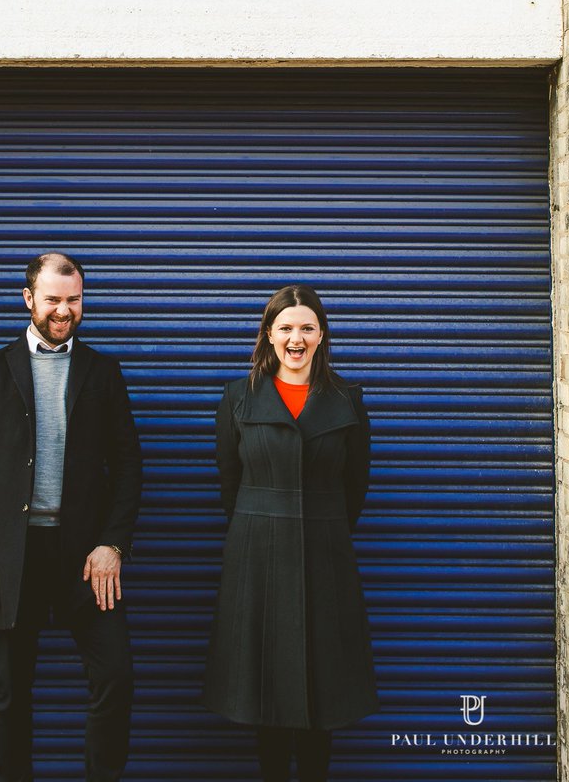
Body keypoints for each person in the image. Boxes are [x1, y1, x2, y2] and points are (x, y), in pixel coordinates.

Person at [0, 252, 142, 782]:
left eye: (73, 299)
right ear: (28, 299)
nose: (64, 310)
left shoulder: (103, 372)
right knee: (9, 693)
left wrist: (113, 545)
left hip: (85, 558)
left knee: (116, 676)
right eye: (53, 299)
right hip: (13, 555)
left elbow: (128, 468)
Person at [203, 284, 379, 782]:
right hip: (256, 557)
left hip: (327, 557)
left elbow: (355, 487)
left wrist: (325, 532)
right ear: (268, 334)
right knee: (267, 692)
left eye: (306, 328)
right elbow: (228, 482)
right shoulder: (238, 398)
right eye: (285, 328)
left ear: (322, 335)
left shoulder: (348, 400)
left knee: (322, 691)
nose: (295, 338)